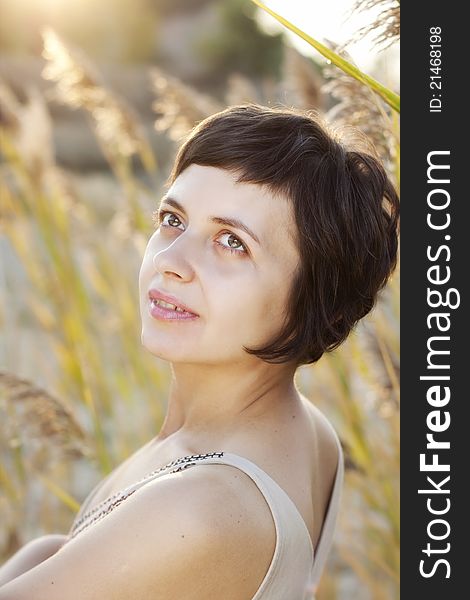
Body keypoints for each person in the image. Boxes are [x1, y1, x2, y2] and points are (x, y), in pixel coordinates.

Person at [0, 103, 399, 599]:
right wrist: (47, 552)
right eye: (172, 219)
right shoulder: (309, 432)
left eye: (232, 242)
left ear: (319, 303)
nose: (171, 261)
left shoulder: (198, 507)